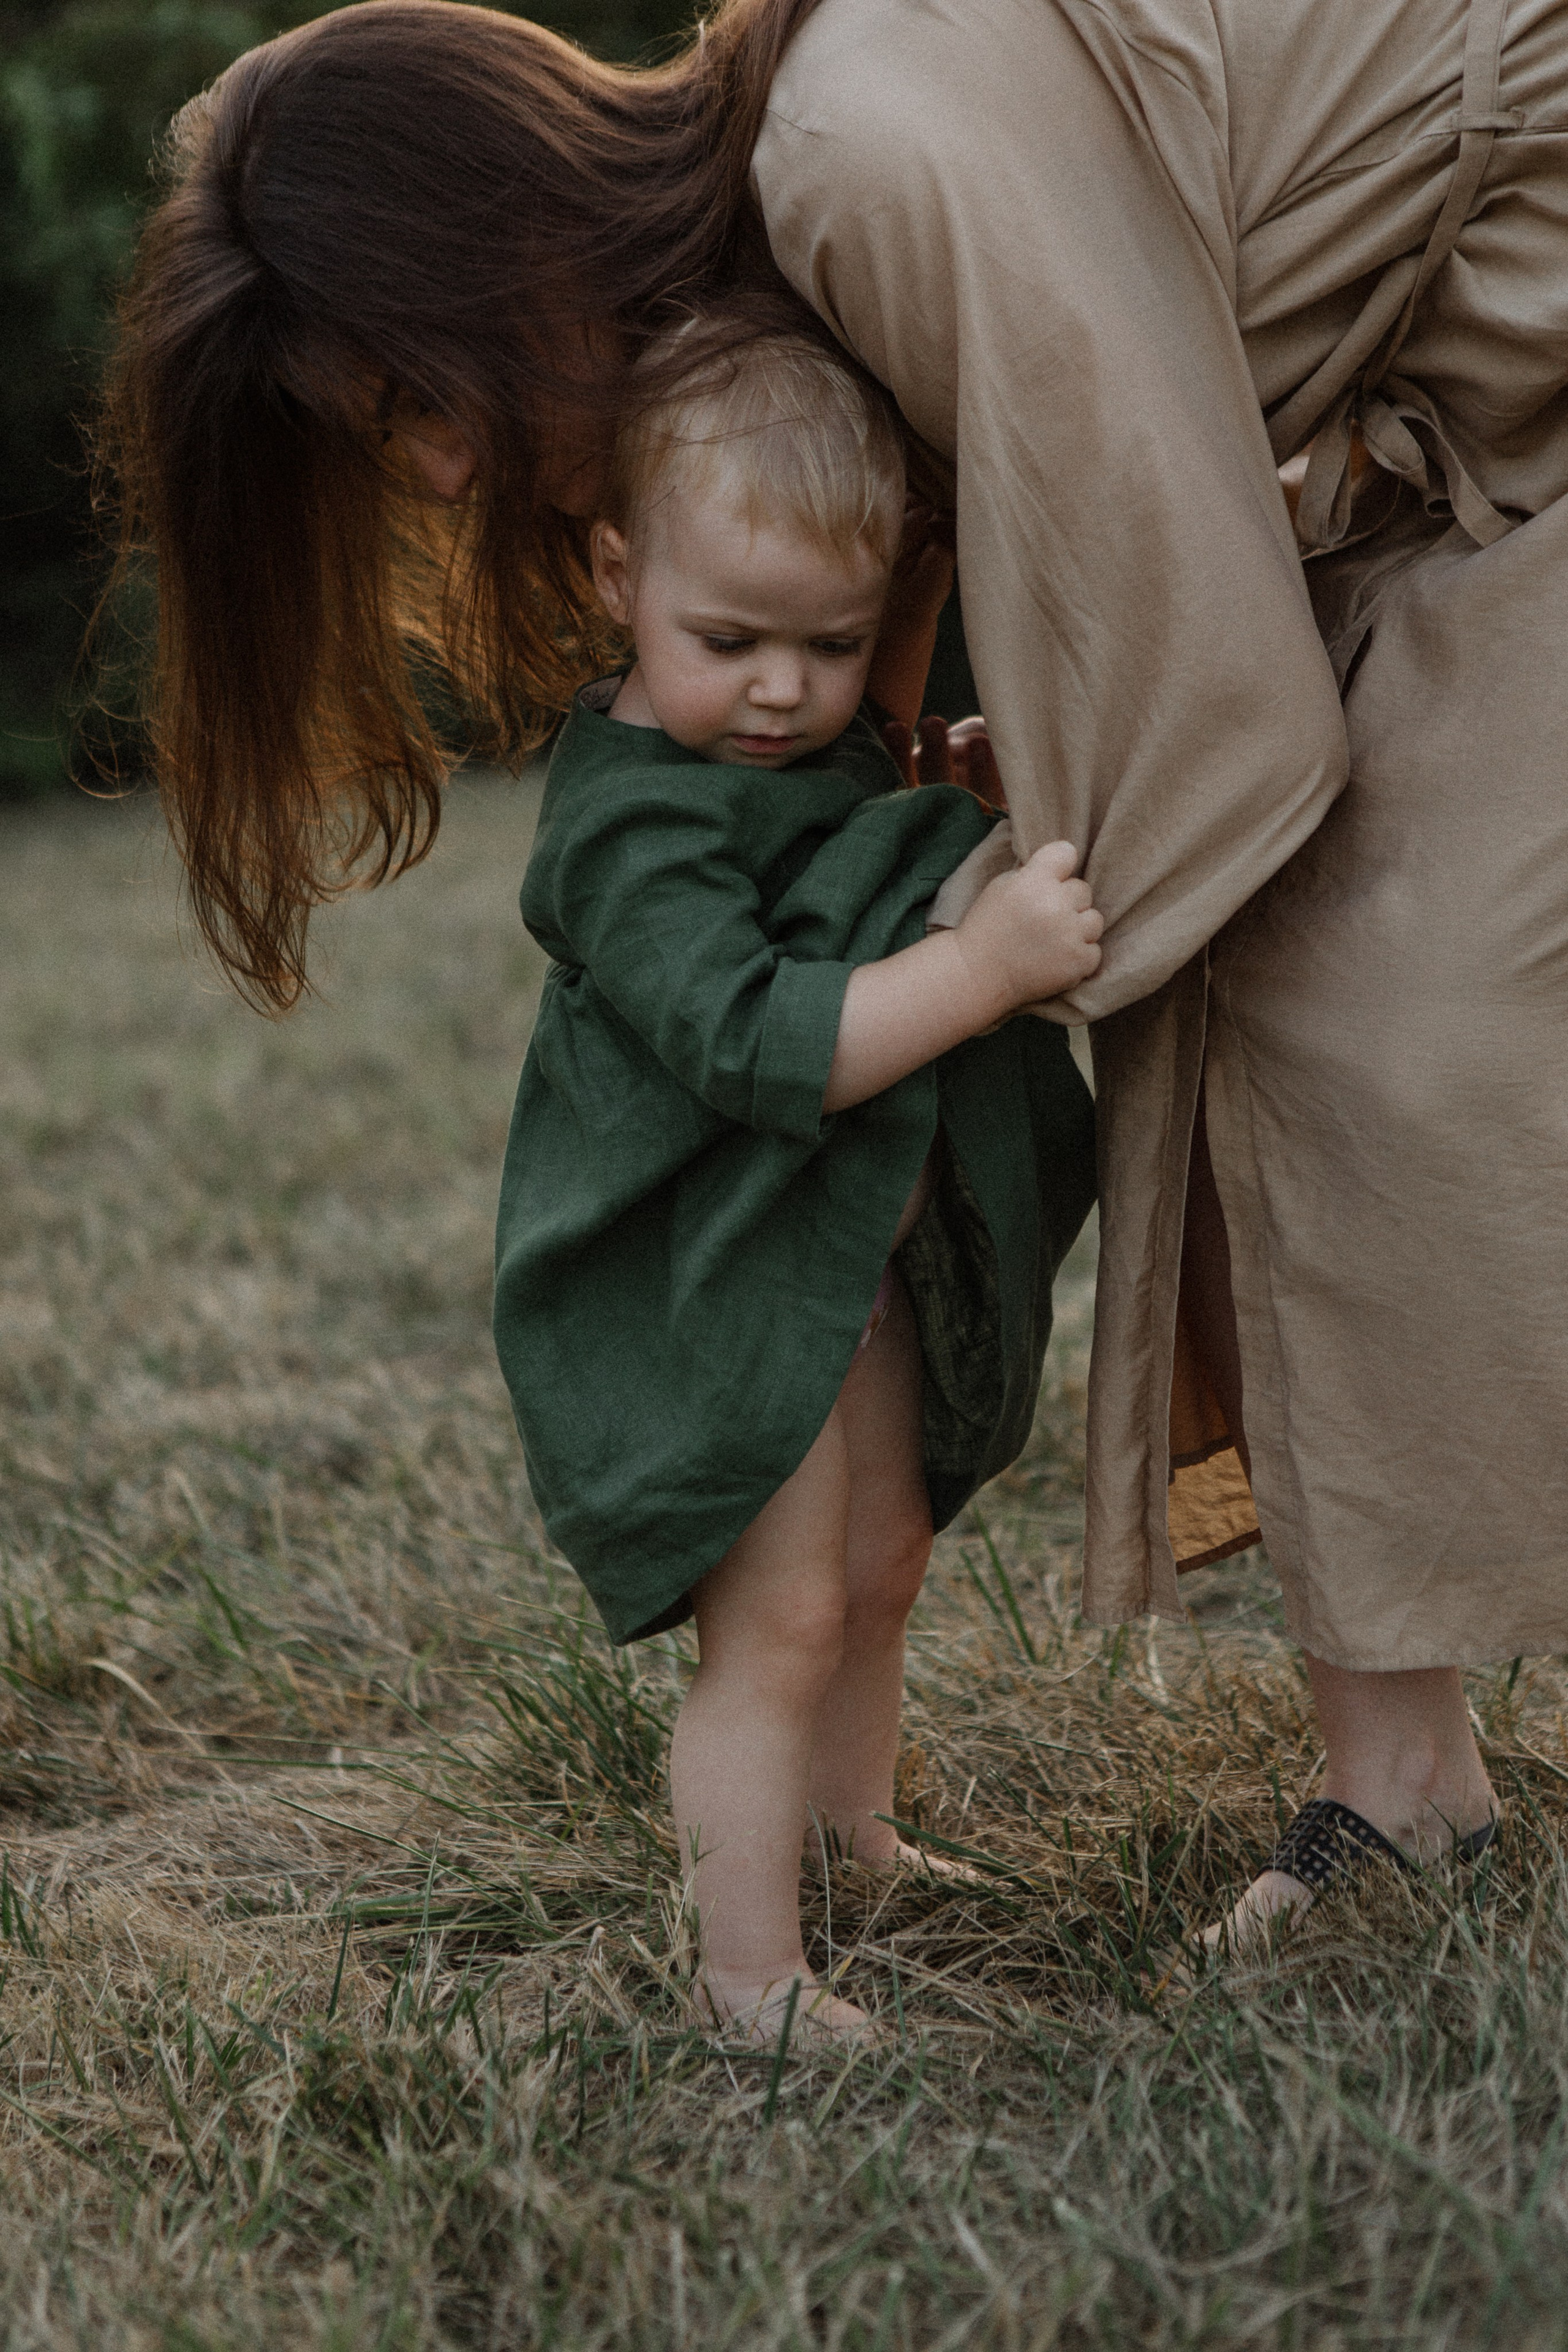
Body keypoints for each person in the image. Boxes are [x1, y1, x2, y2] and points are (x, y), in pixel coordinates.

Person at [102, 0, 1562, 1957]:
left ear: (490, 254)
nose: (440, 479)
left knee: (1355, 1013)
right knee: (1318, 1003)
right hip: (1470, 450)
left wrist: (956, 943)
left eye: (407, 406)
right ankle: (1414, 1790)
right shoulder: (794, 317)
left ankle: (1405, 1789)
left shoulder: (862, 161)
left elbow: (1206, 698)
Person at [490, 322, 1099, 2037]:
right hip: (717, 1286)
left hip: (839, 1254)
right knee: (776, 1623)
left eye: (834, 645)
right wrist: (983, 968)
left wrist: (934, 808)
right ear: (620, 575)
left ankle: (851, 1833)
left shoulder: (795, 746)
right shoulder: (628, 826)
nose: (782, 690)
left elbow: (847, 860)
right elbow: (764, 1033)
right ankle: (748, 1978)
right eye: (729, 638)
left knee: (886, 1561)